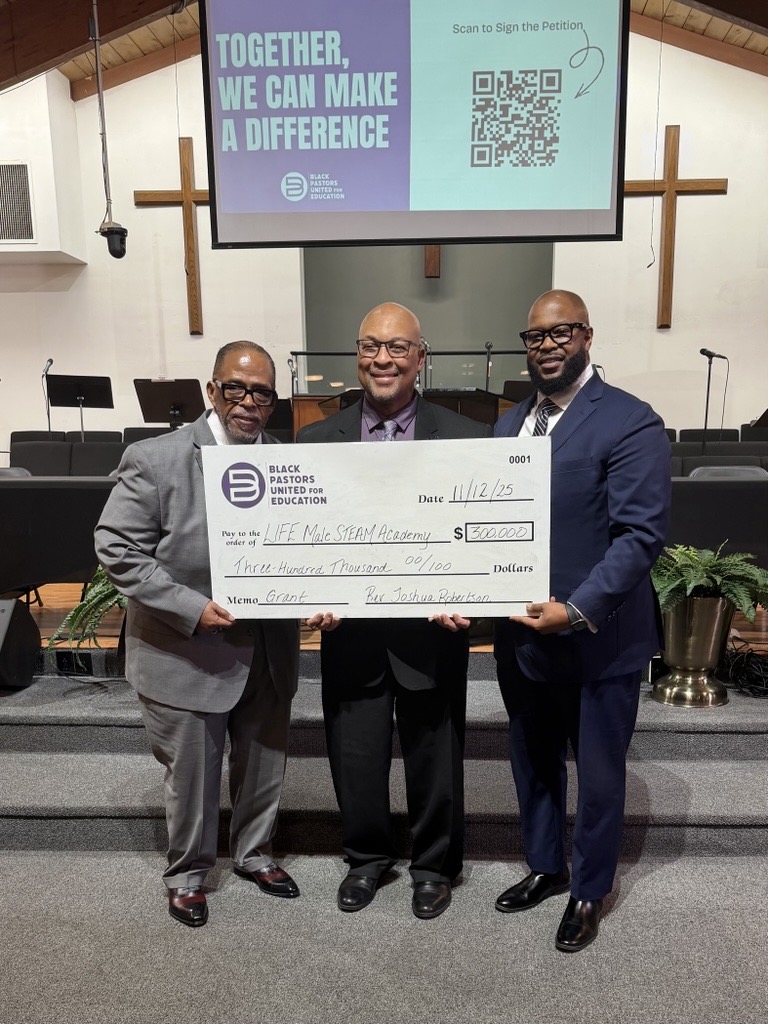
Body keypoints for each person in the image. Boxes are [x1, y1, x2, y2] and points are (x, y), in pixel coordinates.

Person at [94, 341, 300, 928]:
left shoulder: (286, 458)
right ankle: (187, 874)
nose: (248, 402)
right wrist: (192, 606)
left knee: (264, 763)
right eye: (236, 388)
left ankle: (254, 853)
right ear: (212, 391)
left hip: (268, 647)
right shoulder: (156, 458)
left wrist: (320, 595)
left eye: (261, 392)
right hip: (185, 649)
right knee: (192, 775)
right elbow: (116, 546)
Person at [297, 302, 491, 919]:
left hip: (432, 632)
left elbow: (481, 534)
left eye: (397, 347)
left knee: (437, 756)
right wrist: (308, 593)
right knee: (353, 753)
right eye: (370, 346)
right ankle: (367, 859)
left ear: (420, 357)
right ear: (357, 356)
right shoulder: (313, 441)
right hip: (349, 632)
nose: (383, 358)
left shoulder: (465, 436)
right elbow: (302, 536)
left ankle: (434, 866)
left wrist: (474, 598)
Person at [493, 290, 671, 952]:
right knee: (533, 759)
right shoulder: (507, 425)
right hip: (522, 635)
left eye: (559, 333)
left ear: (586, 337)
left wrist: (576, 608)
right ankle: (546, 866)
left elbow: (639, 535)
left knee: (597, 775)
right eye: (534, 336)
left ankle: (589, 889)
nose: (546, 346)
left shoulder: (629, 421)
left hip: (599, 636)